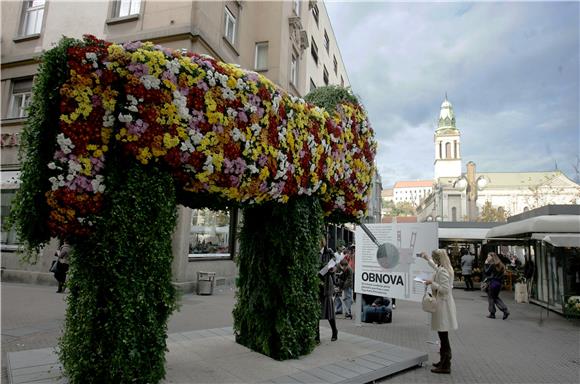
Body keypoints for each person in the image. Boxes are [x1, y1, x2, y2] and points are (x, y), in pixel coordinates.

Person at [420, 249, 458, 374]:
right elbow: (437, 268)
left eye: (433, 258)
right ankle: (443, 360)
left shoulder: (443, 271)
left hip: (443, 305)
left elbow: (445, 289)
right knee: (443, 334)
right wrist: (427, 259)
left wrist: (432, 283)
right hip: (444, 304)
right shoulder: (446, 268)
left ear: (438, 258)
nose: (434, 261)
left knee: (443, 335)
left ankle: (446, 364)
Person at [317, 239, 338, 342]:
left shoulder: (329, 252)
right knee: (316, 311)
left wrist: (333, 269)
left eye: (318, 242)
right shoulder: (314, 253)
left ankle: (334, 331)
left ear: (322, 242)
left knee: (329, 310)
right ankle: (316, 336)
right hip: (317, 284)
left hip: (327, 285)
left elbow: (335, 264)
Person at [484, 252, 510, 320]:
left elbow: (486, 272)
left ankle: (494, 313)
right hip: (499, 284)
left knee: (491, 298)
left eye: (489, 256)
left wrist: (486, 264)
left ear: (492, 257)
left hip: (493, 283)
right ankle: (504, 310)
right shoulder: (501, 265)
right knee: (495, 297)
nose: (488, 258)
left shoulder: (492, 265)